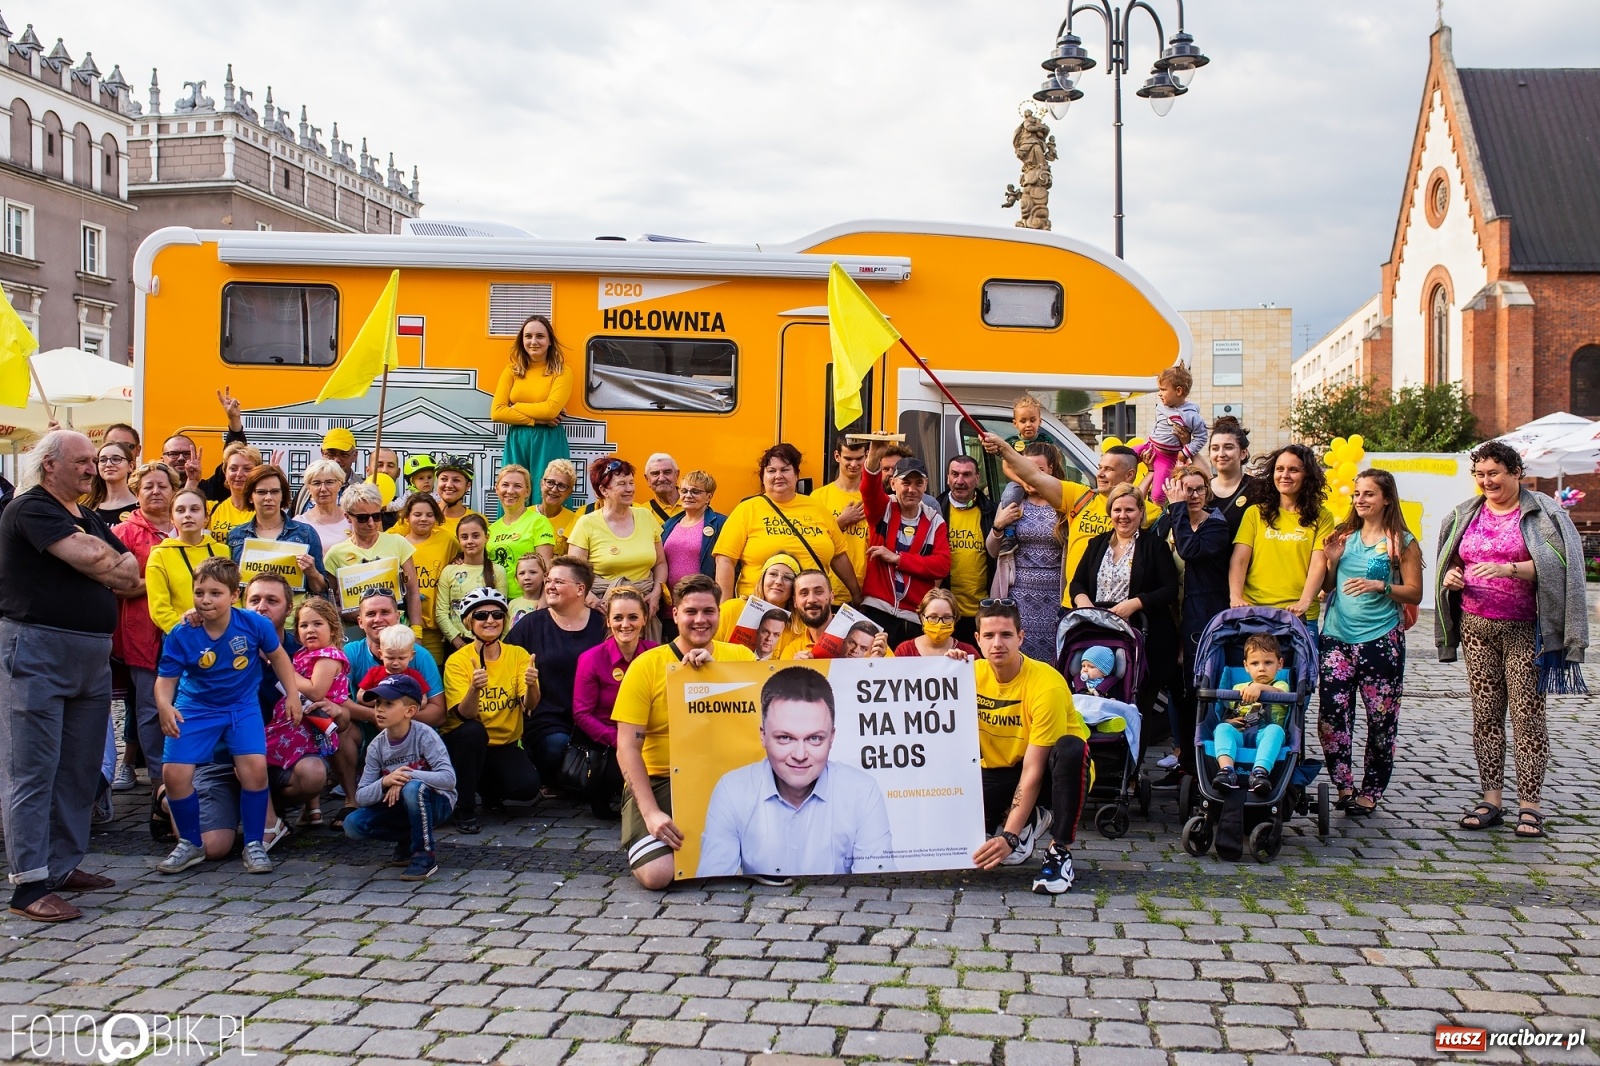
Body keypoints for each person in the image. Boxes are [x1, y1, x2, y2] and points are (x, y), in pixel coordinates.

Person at [0, 431, 139, 921]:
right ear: (49, 465)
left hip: (89, 655)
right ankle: (29, 884)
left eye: (92, 461)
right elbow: (103, 561)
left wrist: (104, 564)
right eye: (81, 461)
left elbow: (130, 572)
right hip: (37, 649)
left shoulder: (90, 517)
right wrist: (103, 565)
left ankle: (60, 866)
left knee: (79, 766)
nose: (91, 469)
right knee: (32, 769)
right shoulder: (31, 509)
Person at [1438, 441, 1588, 840]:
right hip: (1477, 626)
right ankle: (1491, 800)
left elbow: (1561, 563)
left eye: (1494, 473)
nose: (1487, 481)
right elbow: (1455, 558)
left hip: (1526, 628)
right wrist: (1451, 576)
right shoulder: (1466, 513)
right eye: (1480, 474)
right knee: (1485, 715)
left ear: (1516, 472)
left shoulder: (1543, 513)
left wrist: (1512, 569)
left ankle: (1531, 806)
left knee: (1527, 716)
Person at [154, 557, 303, 876]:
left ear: (234, 595)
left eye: (215, 593)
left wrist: (292, 694)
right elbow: (165, 679)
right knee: (174, 774)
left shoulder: (254, 624)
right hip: (195, 709)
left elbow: (278, 657)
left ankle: (254, 844)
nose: (205, 600)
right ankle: (190, 843)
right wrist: (165, 706)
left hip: (241, 708)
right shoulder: (183, 632)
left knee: (255, 771)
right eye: (199, 592)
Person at [612, 574, 756, 890]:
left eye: (709, 611)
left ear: (719, 613)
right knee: (657, 874)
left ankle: (721, 848)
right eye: (690, 611)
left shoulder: (741, 658)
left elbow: (763, 725)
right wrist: (650, 814)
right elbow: (626, 748)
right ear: (675, 614)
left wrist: (717, 673)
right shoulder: (646, 665)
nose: (700, 620)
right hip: (661, 778)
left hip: (726, 780)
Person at [697, 665, 894, 878]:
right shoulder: (731, 790)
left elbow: (876, 887)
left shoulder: (862, 792)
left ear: (832, 737)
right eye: (785, 738)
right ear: (763, 735)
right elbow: (712, 885)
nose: (800, 754)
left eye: (814, 738)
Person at [964, 599, 1089, 896]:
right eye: (990, 636)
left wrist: (1009, 836)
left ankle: (1059, 853)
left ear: (1021, 637)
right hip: (1000, 770)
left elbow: (1033, 769)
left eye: (1006, 635)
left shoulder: (1047, 684)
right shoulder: (967, 673)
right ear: (977, 640)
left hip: (1051, 773)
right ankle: (1028, 819)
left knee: (1071, 748)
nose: (998, 643)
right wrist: (945, 667)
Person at [1318, 470, 1423, 816]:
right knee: (1332, 717)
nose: (1360, 500)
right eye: (1357, 494)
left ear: (1386, 499)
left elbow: (1415, 592)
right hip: (1336, 638)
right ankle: (1344, 785)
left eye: (1369, 494)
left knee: (1381, 720)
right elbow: (1329, 587)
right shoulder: (1344, 537)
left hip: (1381, 640)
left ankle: (1371, 790)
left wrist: (1382, 586)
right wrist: (1332, 561)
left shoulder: (1402, 541)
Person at [982, 433, 1161, 608]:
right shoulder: (1079, 496)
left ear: (1129, 475)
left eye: (1109, 469)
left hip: (1115, 609)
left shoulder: (1145, 511)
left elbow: (1140, 499)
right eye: (1100, 467)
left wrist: (1154, 470)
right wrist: (1003, 448)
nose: (1100, 474)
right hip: (1074, 603)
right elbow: (1034, 476)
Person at [330, 590, 448, 825]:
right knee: (337, 721)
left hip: (410, 734)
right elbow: (338, 699)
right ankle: (353, 800)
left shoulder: (418, 655)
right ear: (360, 622)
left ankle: (424, 801)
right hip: (366, 732)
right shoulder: (351, 653)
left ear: (398, 617)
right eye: (371, 614)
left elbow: (438, 711)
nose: (378, 619)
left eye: (385, 612)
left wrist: (400, 719)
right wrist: (377, 715)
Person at [1070, 483, 1180, 735]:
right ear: (1110, 513)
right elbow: (1077, 582)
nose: (1123, 516)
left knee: (1138, 705)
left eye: (1129, 509)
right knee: (1099, 696)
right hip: (1100, 636)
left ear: (1141, 512)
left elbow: (1169, 588)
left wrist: (1136, 603)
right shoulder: (1097, 544)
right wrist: (1084, 603)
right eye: (1117, 509)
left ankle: (1133, 770)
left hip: (1143, 637)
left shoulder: (1154, 546)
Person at [1154, 465, 1233, 778]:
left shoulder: (1216, 525)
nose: (1194, 495)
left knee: (1203, 689)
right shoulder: (1166, 522)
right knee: (1178, 691)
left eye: (1199, 488)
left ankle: (1206, 761)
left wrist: (1177, 510)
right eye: (1186, 488)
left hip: (1203, 618)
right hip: (1173, 618)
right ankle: (1184, 760)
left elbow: (1189, 549)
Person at [506, 556, 608, 790]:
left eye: (559, 582)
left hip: (593, 715)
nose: (549, 586)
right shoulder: (531, 625)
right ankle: (553, 781)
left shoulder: (602, 625)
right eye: (549, 580)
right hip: (547, 720)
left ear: (581, 589)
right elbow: (505, 663)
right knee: (556, 746)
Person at [441, 587, 540, 829]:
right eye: (481, 615)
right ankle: (464, 808)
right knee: (474, 731)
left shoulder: (517, 655)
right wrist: (474, 688)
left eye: (497, 615)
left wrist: (532, 685)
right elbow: (466, 715)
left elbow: (530, 704)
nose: (490, 620)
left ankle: (487, 788)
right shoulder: (458, 661)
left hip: (502, 743)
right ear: (468, 622)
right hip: (465, 741)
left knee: (527, 788)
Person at [713, 443, 861, 604]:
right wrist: (724, 606)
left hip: (809, 608)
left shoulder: (817, 508)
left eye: (785, 470)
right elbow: (725, 560)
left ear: (796, 475)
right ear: (763, 476)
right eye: (771, 471)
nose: (778, 475)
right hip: (759, 607)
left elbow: (839, 555)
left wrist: (857, 595)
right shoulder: (747, 509)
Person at [345, 674, 458, 881]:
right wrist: (386, 781)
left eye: (388, 704)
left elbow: (449, 779)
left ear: (410, 711)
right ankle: (408, 839)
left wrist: (406, 776)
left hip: (437, 803)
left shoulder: (425, 735)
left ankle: (425, 855)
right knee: (353, 824)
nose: (379, 709)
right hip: (398, 806)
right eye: (377, 703)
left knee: (413, 788)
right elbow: (361, 796)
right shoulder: (377, 746)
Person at [112, 462, 180, 794]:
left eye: (162, 486)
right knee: (151, 708)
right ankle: (158, 781)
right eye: (148, 487)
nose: (155, 492)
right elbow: (114, 584)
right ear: (137, 493)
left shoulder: (187, 527)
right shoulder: (122, 534)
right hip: (143, 633)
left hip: (187, 633)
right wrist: (155, 582)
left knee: (188, 703)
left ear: (174, 490)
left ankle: (188, 772)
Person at [1229, 445, 1335, 633]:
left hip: (1299, 616)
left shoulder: (1322, 517)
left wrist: (1304, 601)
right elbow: (1239, 560)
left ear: (1307, 476)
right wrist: (1235, 597)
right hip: (1255, 612)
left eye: (1293, 470)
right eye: (1280, 469)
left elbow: (1318, 564)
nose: (1284, 475)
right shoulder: (1255, 513)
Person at [571, 586, 657, 817]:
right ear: (608, 621)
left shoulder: (657, 655)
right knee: (612, 770)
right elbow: (582, 713)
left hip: (651, 737)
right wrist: (622, 741)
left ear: (644, 619)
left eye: (633, 617)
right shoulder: (591, 658)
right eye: (618, 618)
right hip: (607, 740)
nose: (625, 624)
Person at [264, 597, 347, 831]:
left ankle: (267, 812)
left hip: (307, 723)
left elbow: (315, 690)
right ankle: (313, 809)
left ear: (332, 628)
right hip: (296, 719)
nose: (310, 630)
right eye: (303, 625)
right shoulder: (305, 654)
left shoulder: (329, 656)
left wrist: (285, 669)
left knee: (258, 757)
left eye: (317, 624)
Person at [859, 449, 951, 649]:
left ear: (926, 485)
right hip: (877, 609)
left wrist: (898, 558)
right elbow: (868, 490)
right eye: (906, 483)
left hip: (915, 616)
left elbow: (942, 565)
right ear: (892, 484)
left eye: (918, 483)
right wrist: (873, 455)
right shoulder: (882, 508)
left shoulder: (935, 521)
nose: (912, 489)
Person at [985, 441, 1067, 662]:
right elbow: (992, 551)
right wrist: (998, 526)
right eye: (1027, 468)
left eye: (1038, 470)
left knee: (1055, 658)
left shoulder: (1064, 504)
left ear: (1051, 470)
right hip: (1018, 595)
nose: (1031, 475)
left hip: (1056, 596)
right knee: (1018, 656)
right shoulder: (1014, 502)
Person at [569, 457, 668, 625]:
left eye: (631, 482)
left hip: (643, 607)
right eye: (622, 484)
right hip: (600, 610)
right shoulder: (587, 523)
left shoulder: (645, 516)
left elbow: (660, 563)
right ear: (604, 490)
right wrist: (592, 600)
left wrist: (657, 593)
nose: (629, 489)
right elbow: (573, 573)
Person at [492, 314, 575, 496]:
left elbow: (551, 409)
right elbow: (497, 412)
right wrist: (539, 421)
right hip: (518, 440)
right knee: (513, 492)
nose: (533, 341)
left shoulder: (562, 372)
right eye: (528, 336)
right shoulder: (511, 371)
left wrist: (516, 407)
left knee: (547, 493)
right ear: (522, 341)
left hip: (549, 440)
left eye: (540, 336)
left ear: (550, 341)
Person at [324, 483, 422, 635]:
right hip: (355, 634)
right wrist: (353, 613)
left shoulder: (398, 543)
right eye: (362, 518)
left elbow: (413, 592)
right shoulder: (335, 554)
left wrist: (417, 632)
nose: (371, 523)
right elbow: (327, 603)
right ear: (348, 517)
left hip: (396, 632)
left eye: (376, 516)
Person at [226, 465, 329, 598]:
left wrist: (312, 572)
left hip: (293, 616)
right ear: (250, 496)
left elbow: (321, 590)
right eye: (261, 492)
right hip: (249, 616)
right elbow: (229, 588)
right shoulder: (236, 536)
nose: (268, 497)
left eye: (274, 491)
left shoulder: (306, 533)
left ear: (282, 495)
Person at [1211, 634, 1292, 795]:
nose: (1261, 668)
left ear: (1279, 664)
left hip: (1265, 733)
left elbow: (1280, 693)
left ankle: (1259, 772)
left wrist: (1259, 688)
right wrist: (1230, 721)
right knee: (1221, 728)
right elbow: (1227, 712)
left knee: (1275, 731)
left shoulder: (1280, 684)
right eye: (1255, 663)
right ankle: (1226, 771)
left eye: (1268, 663)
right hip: (1240, 733)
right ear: (1246, 666)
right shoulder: (1238, 687)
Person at [146, 489, 227, 633]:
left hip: (223, 633)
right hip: (182, 635)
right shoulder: (159, 555)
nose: (188, 515)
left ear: (206, 517)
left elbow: (233, 595)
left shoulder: (223, 551)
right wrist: (186, 632)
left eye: (194, 509)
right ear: (172, 518)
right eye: (180, 510)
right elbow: (159, 610)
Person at [938, 454, 995, 646]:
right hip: (945, 614)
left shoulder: (992, 513)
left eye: (967, 475)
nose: (960, 481)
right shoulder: (935, 511)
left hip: (982, 613)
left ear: (977, 478)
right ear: (948, 477)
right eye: (955, 474)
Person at [1137, 365, 1209, 504]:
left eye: (1163, 389)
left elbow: (1201, 437)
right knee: (1123, 457)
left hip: (1167, 457)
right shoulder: (1160, 407)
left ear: (1178, 391)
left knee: (1158, 496)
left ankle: (1157, 513)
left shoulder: (1191, 416)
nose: (1159, 393)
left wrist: (1185, 452)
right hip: (1150, 446)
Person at [399, 492, 458, 663]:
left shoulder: (447, 540)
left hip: (435, 626)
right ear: (407, 517)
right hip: (405, 625)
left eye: (429, 515)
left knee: (434, 673)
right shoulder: (398, 543)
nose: (424, 519)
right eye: (417, 514)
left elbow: (463, 557)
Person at [438, 514, 508, 654]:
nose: (470, 541)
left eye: (476, 536)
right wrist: (459, 644)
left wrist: (494, 643)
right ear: (458, 540)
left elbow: (502, 611)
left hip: (489, 644)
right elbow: (441, 613)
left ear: (486, 537)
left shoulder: (498, 571)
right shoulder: (449, 571)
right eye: (464, 537)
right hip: (456, 644)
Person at [813, 436, 870, 607]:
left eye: (859, 458)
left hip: (867, 592)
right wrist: (840, 522)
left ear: (867, 456)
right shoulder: (818, 497)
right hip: (828, 591)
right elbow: (811, 542)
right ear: (837, 456)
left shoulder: (874, 498)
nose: (854, 464)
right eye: (848, 458)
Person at [715, 553, 806, 654]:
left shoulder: (799, 628)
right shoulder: (731, 609)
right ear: (762, 579)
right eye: (773, 574)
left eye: (788, 578)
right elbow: (709, 647)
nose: (779, 581)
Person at [487, 464, 556, 600]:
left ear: (527, 492)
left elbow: (547, 568)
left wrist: (543, 600)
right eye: (505, 485)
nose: (510, 491)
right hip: (495, 601)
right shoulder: (491, 529)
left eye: (517, 486)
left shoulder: (538, 522)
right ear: (497, 489)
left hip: (527, 600)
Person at [660, 469, 726, 589]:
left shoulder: (720, 524)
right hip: (669, 601)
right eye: (684, 491)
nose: (688, 495)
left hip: (702, 599)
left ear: (708, 497)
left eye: (695, 491)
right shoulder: (669, 524)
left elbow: (728, 566)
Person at [1207, 416, 1255, 537]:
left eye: (1228, 447)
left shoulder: (1258, 489)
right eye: (1215, 448)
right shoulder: (1201, 489)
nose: (1221, 454)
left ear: (1243, 453)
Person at [894, 589, 978, 658]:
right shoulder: (904, 651)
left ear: (955, 618)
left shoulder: (969, 653)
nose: (940, 623)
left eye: (947, 617)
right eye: (933, 617)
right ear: (922, 618)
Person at [294, 428, 360, 513]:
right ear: (322, 453)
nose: (336, 460)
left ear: (355, 455)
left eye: (343, 454)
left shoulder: (363, 488)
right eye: (331, 454)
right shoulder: (307, 488)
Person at [357, 624, 428, 701]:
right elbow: (360, 695)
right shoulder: (374, 673)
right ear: (381, 654)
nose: (395, 663)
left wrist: (403, 706)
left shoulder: (413, 676)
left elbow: (423, 700)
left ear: (411, 655)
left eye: (401, 658)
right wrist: (381, 702)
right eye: (390, 658)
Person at [206, 442, 260, 542]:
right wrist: (192, 481)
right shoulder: (210, 508)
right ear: (225, 473)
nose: (239, 474)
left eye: (247, 469)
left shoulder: (263, 510)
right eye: (233, 468)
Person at [298, 459, 351, 554]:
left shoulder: (353, 518)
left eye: (329, 482)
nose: (323, 489)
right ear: (309, 488)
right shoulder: (299, 523)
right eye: (316, 483)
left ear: (340, 484)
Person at [85, 441, 139, 526]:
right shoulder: (87, 507)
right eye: (102, 460)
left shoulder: (141, 507)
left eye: (116, 459)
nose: (108, 464)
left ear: (130, 466)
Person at [536, 459, 581, 556]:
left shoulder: (574, 521)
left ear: (569, 493)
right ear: (541, 484)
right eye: (550, 482)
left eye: (562, 486)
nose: (554, 489)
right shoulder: (525, 515)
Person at [434, 457, 480, 541]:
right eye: (444, 479)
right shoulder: (422, 516)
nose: (449, 485)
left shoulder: (479, 520)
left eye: (456, 480)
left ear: (467, 486)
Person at [641, 453, 684, 524]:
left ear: (677, 475)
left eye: (667, 472)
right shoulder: (642, 513)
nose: (661, 478)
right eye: (655, 473)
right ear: (647, 479)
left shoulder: (696, 506)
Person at [510, 554, 547, 622]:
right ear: (516, 578)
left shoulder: (550, 605)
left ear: (544, 576)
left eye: (533, 572)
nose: (527, 577)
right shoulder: (512, 604)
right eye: (522, 573)